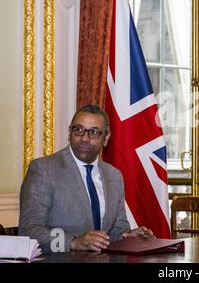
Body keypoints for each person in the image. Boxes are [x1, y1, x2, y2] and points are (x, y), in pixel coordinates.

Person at [19, 104, 153, 253]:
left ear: (106, 138)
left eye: (94, 132)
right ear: (70, 133)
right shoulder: (44, 169)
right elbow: (29, 231)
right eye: (78, 130)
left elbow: (116, 230)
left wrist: (128, 236)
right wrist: (74, 242)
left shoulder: (114, 176)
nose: (84, 138)